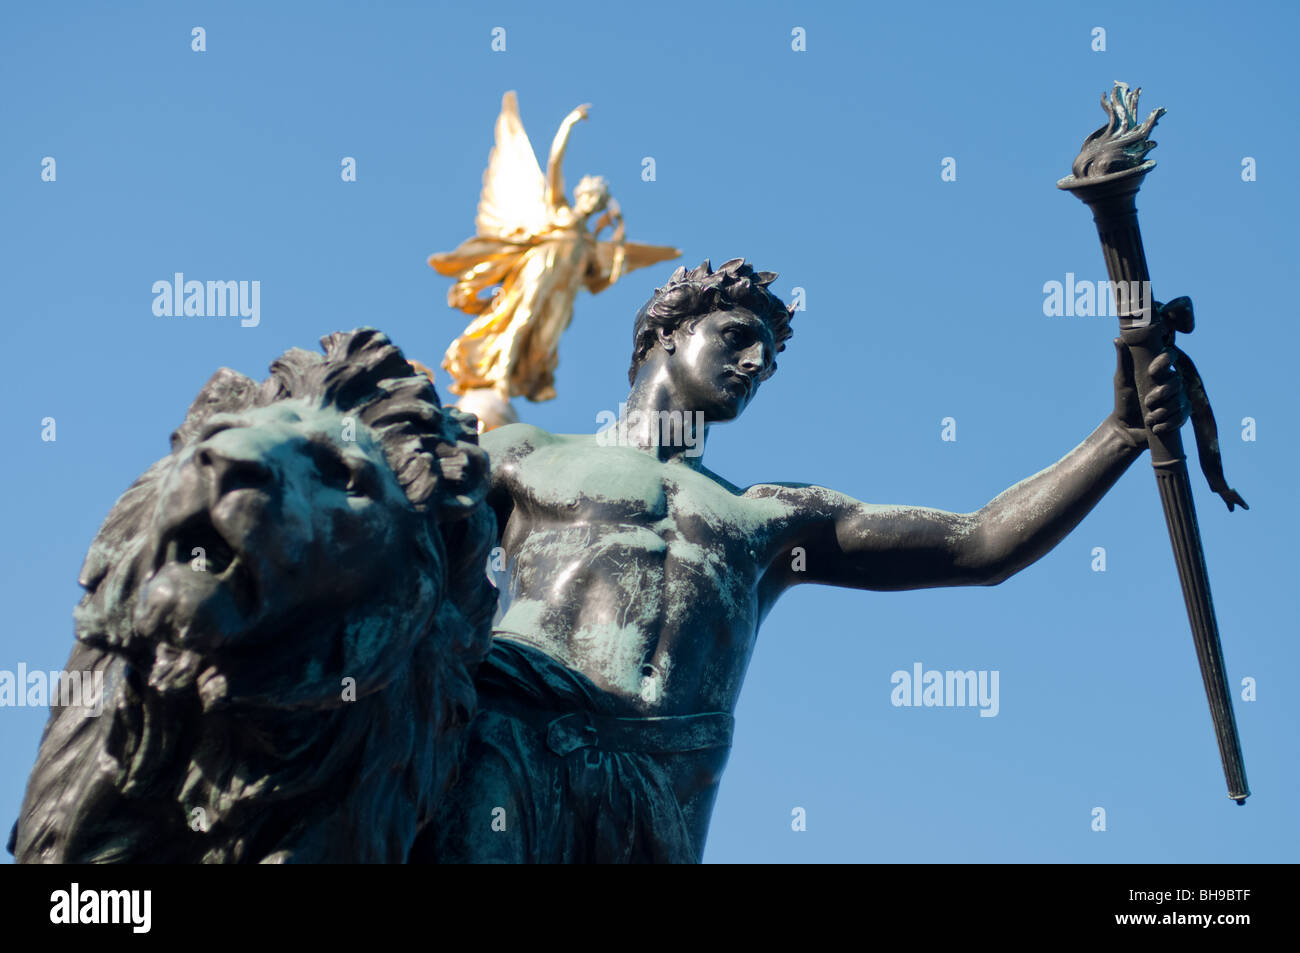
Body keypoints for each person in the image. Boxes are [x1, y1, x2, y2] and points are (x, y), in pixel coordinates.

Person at [416, 257, 1188, 863]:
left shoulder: (767, 515)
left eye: (770, 358)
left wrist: (1119, 433)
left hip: (659, 790)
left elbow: (981, 542)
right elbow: (387, 550)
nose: (756, 363)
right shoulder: (523, 453)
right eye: (736, 337)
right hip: (514, 740)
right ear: (664, 335)